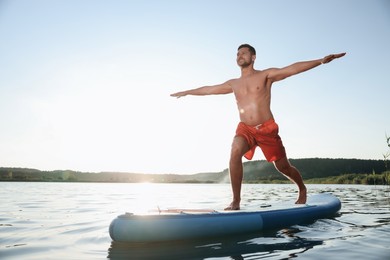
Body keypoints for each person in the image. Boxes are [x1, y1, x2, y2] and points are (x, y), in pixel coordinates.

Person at [170, 44, 346, 210]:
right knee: (235, 150)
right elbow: (209, 89)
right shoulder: (233, 83)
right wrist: (188, 92)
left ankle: (302, 188)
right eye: (237, 54)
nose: (240, 56)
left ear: (253, 57)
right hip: (245, 128)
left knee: (283, 167)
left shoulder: (265, 75)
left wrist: (320, 61)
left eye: (244, 53)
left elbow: (291, 69)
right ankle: (236, 200)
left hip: (267, 129)